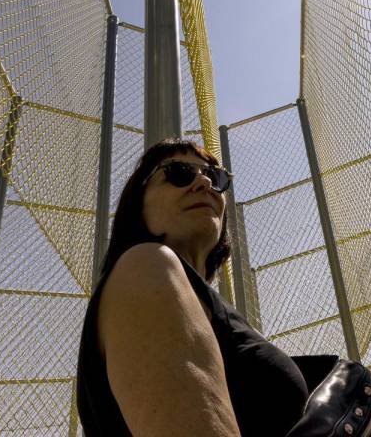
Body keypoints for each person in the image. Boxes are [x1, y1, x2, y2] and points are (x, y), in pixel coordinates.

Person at [76, 139, 309, 437]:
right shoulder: (147, 265)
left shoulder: (197, 299)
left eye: (216, 177)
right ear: (138, 204)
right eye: (179, 173)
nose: (204, 182)